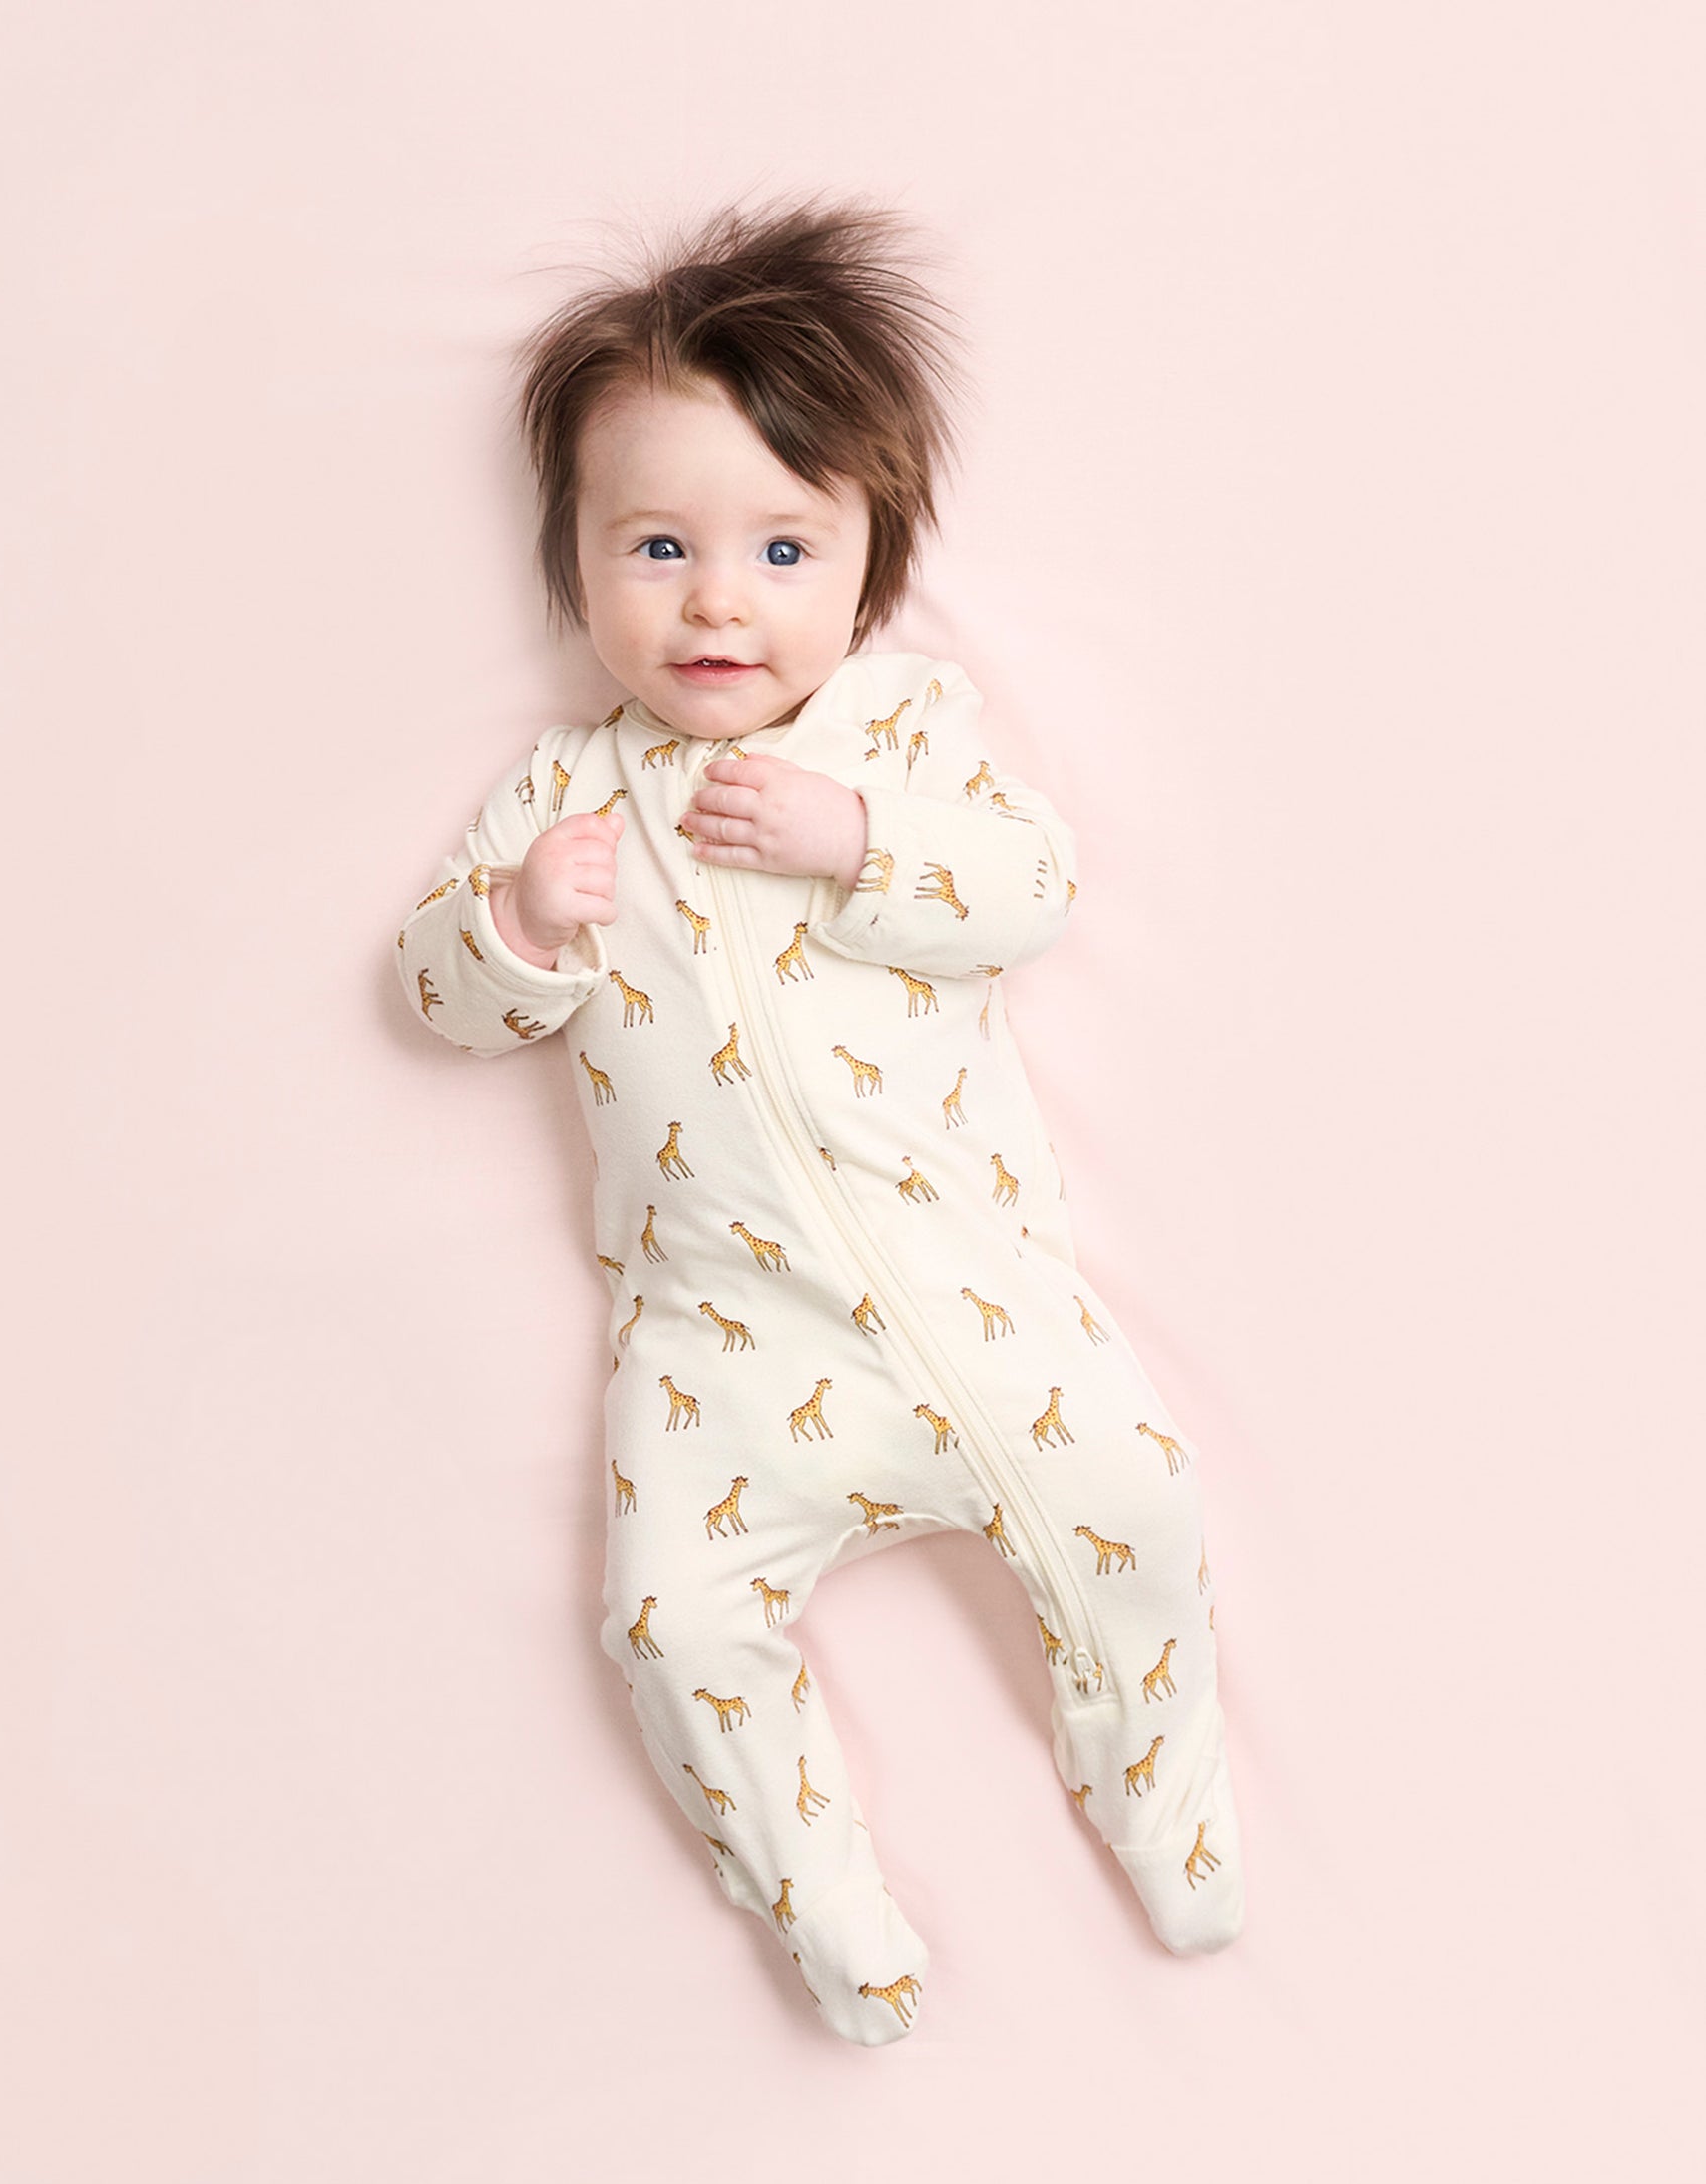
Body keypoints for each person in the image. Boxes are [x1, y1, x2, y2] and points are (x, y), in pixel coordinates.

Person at [393, 194, 1246, 2045]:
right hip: (716, 1333)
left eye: (782, 545)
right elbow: (436, 1000)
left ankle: (1151, 1778)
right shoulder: (560, 791)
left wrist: (860, 841)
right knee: (665, 1626)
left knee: (1140, 1504)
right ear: (576, 566)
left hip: (968, 1294)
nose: (716, 599)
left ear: (864, 573)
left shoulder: (901, 732)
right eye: (657, 546)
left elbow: (1029, 884)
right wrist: (523, 916)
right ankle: (822, 1898)